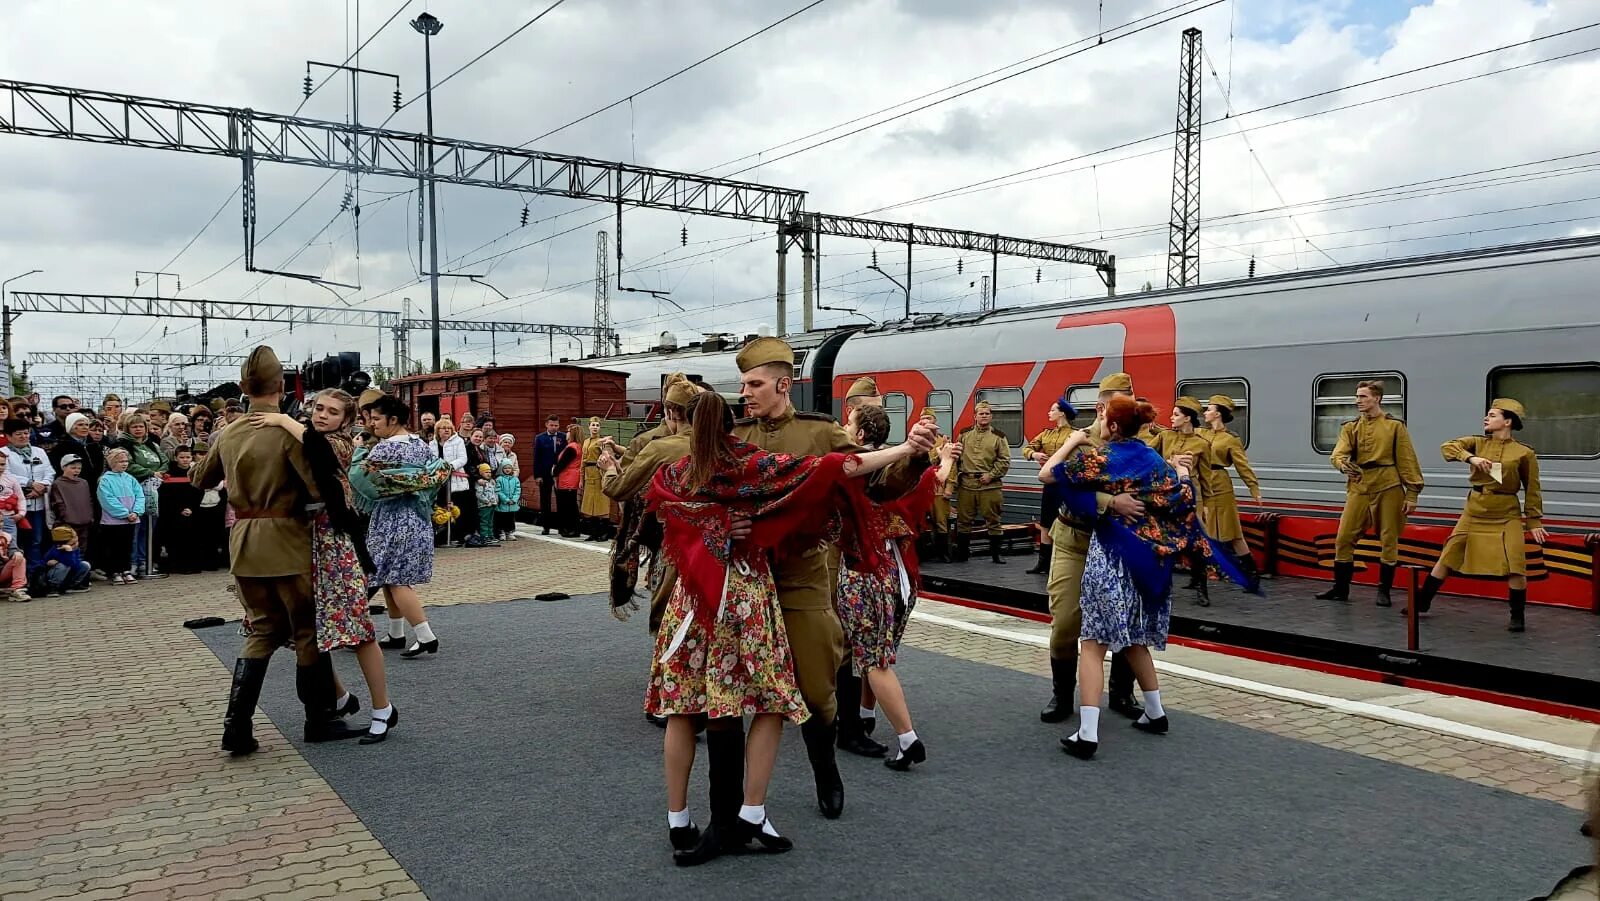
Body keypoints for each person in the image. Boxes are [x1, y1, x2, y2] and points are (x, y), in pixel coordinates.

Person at [648, 390, 931, 866]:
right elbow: (836, 470)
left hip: (694, 601)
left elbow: (659, 510)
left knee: (684, 706)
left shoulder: (675, 469)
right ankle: (752, 812)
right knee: (771, 700)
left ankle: (679, 820)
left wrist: (710, 523)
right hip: (747, 594)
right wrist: (906, 449)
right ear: (729, 423)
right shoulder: (753, 463)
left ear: (684, 424)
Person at [730, 336, 935, 820]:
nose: (746, 392)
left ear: (783, 384)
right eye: (743, 384)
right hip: (747, 579)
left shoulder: (821, 434)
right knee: (749, 688)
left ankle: (825, 770)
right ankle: (745, 803)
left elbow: (878, 487)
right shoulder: (736, 437)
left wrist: (915, 456)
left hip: (804, 578)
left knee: (816, 686)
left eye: (754, 384)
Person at [1042, 396, 1243, 760]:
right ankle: (1155, 711)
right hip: (1140, 556)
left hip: (1109, 555)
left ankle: (1087, 733)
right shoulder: (1151, 456)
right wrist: (1181, 472)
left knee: (1092, 641)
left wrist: (1072, 441)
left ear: (1113, 423)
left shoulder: (1100, 454)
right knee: (1131, 637)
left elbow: (1048, 476)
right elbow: (1180, 496)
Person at [196, 346, 365, 755]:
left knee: (263, 629)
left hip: (244, 541)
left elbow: (200, 478)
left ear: (242, 388)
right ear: (283, 386)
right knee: (306, 630)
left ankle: (236, 726)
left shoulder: (230, 432)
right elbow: (316, 486)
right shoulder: (287, 431)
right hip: (288, 537)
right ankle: (319, 718)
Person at [253, 388, 400, 743]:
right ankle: (339, 696)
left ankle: (383, 708)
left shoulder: (341, 444)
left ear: (346, 421)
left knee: (355, 626)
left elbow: (317, 450)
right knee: (306, 627)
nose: (322, 415)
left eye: (332, 412)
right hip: (302, 542)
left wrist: (282, 418)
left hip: (333, 543)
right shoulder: (301, 437)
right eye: (318, 408)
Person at [835, 404, 956, 771]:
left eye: (848, 423)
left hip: (865, 573)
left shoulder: (861, 469)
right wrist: (944, 458)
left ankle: (907, 738)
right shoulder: (900, 471)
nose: (841, 426)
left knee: (871, 659)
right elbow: (932, 483)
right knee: (879, 654)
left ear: (858, 435)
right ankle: (865, 714)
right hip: (898, 573)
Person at [1037, 372, 1155, 725]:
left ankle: (1121, 693)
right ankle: (1062, 694)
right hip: (1076, 542)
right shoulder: (1080, 441)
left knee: (1126, 621)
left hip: (1122, 546)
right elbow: (1057, 482)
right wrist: (1108, 501)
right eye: (1123, 404)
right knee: (1066, 623)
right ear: (1103, 407)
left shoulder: (1146, 440)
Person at [1407, 399, 1545, 632]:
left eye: (1492, 415)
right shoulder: (1477, 443)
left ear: (1507, 421)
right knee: (1449, 554)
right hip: (1475, 510)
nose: (1486, 418)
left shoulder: (1524, 452)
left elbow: (1533, 488)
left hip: (1506, 512)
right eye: (1487, 415)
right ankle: (1422, 602)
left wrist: (1534, 521)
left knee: (1515, 562)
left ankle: (1517, 616)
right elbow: (1447, 447)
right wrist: (1471, 458)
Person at [352, 394, 450, 660]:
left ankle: (425, 635)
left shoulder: (384, 449)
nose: (372, 425)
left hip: (392, 519)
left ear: (392, 420)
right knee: (389, 575)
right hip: (418, 516)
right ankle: (396, 632)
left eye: (376, 419)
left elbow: (359, 478)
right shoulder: (420, 444)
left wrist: (359, 448)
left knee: (396, 580)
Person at [1317, 380, 1425, 606]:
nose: (1358, 401)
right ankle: (1340, 588)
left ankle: (1383, 591)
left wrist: (1412, 493)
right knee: (1344, 538)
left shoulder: (1395, 427)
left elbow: (1407, 460)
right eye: (1357, 397)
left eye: (1363, 397)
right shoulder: (1350, 427)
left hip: (1388, 485)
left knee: (1388, 539)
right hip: (1359, 485)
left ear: (1377, 398)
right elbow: (1338, 453)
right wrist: (1342, 464)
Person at [1151, 398, 1217, 604]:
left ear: (1188, 417)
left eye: (1176, 414)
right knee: (1162, 540)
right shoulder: (1164, 436)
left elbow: (1206, 477)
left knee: (1195, 544)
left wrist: (1207, 506)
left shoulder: (1202, 444)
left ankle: (1201, 587)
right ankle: (1159, 586)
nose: (1171, 417)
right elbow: (1147, 456)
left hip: (1190, 497)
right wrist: (1168, 462)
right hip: (1166, 495)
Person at [1199, 395, 1265, 597]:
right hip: (1203, 483)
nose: (1205, 413)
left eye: (1208, 409)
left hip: (1221, 485)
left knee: (1233, 533)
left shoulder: (1230, 439)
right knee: (1204, 530)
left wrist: (1254, 488)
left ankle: (1252, 574)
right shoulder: (1199, 433)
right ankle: (1201, 577)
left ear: (1217, 413)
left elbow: (1242, 466)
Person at [953, 400, 1011, 564]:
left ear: (991, 416)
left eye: (987, 414)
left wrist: (991, 475)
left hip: (990, 486)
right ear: (975, 416)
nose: (984, 416)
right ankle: (963, 554)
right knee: (963, 521)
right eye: (981, 413)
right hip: (967, 484)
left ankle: (996, 555)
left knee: (993, 520)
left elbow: (1004, 461)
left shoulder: (999, 437)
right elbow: (956, 457)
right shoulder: (964, 434)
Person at [1024, 395, 1076, 574]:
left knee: (1065, 521)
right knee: (1046, 522)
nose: (1049, 413)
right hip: (1049, 485)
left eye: (1053, 410)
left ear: (1062, 413)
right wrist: (1034, 455)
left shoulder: (1074, 434)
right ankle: (1043, 564)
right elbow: (1027, 448)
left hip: (1066, 484)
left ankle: (1061, 564)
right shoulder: (1046, 434)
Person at [115, 412, 169, 580]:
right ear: (127, 428)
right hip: (132, 491)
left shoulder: (152, 444)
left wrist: (160, 473)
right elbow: (128, 465)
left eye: (141, 426)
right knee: (136, 528)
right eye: (134, 426)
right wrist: (150, 472)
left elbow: (164, 461)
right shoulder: (123, 445)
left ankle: (145, 561)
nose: (138, 429)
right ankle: (132, 563)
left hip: (153, 490)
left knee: (149, 528)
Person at [2, 419, 53, 566]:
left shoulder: (39, 452)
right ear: (9, 436)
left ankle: (34, 574)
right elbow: (7, 474)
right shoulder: (4, 453)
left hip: (38, 505)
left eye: (26, 433)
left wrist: (42, 486)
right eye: (19, 434)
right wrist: (30, 484)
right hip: (13, 507)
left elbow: (50, 472)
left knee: (36, 540)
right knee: (14, 542)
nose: (24, 436)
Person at [432, 417, 485, 548]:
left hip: (456, 480)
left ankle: (464, 535)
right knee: (443, 508)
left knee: (460, 508)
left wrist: (449, 466)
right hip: (439, 481)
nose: (446, 430)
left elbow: (462, 458)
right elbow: (430, 460)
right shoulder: (432, 444)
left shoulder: (458, 441)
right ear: (437, 431)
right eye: (443, 428)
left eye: (449, 428)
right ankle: (445, 536)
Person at [97, 447, 144, 586]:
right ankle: (115, 571)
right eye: (120, 461)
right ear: (112, 463)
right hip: (112, 522)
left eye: (126, 461)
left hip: (131, 520)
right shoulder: (105, 480)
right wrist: (124, 513)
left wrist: (136, 512)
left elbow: (139, 495)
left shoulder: (130, 478)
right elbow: (107, 500)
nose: (124, 464)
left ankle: (126, 570)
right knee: (114, 546)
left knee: (127, 546)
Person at [157, 447, 204, 574]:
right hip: (174, 513)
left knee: (192, 539)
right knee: (176, 540)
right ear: (176, 458)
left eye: (188, 457)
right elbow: (166, 496)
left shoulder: (194, 472)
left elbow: (199, 493)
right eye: (182, 457)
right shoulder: (169, 474)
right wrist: (179, 509)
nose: (185, 460)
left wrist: (191, 508)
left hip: (192, 511)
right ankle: (178, 565)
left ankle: (193, 565)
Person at [922, 407, 958, 563]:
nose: (926, 422)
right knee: (922, 523)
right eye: (923, 419)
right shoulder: (918, 441)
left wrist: (950, 487)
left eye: (929, 419)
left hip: (938, 489)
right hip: (921, 489)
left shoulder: (943, 442)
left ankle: (943, 553)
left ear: (935, 422)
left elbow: (951, 466)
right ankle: (925, 553)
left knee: (941, 523)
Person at [49, 454, 95, 560]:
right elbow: (58, 503)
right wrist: (65, 517)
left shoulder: (84, 483)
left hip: (84, 522)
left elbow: (89, 500)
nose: (76, 471)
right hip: (68, 524)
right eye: (73, 468)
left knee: (82, 549)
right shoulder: (58, 484)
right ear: (63, 467)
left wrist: (89, 516)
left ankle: (81, 571)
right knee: (67, 549)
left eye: (79, 468)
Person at [579, 417, 613, 541]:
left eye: (597, 425)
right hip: (588, 474)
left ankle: (604, 532)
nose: (595, 427)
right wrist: (581, 479)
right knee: (589, 504)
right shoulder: (586, 441)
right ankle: (593, 532)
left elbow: (607, 456)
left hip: (599, 473)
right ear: (589, 427)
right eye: (593, 425)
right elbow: (583, 460)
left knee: (601, 503)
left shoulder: (601, 441)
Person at [34, 525, 91, 596]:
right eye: (73, 543)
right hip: (51, 577)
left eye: (77, 541)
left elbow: (75, 565)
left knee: (85, 564)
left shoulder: (75, 550)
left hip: (66, 577)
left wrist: (71, 551)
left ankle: (72, 586)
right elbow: (69, 563)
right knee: (64, 565)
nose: (77, 544)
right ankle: (53, 588)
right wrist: (68, 552)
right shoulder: (55, 551)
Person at [532, 416, 565, 534]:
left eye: (556, 425)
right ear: (546, 425)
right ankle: (546, 526)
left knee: (561, 500)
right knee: (545, 501)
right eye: (551, 425)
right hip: (545, 473)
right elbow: (536, 458)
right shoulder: (540, 438)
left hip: (559, 473)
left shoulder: (563, 437)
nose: (554, 427)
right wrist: (537, 475)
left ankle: (562, 527)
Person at [494, 461, 522, 543]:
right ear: (502, 469)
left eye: (509, 468)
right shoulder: (499, 479)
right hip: (503, 504)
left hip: (512, 504)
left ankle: (510, 532)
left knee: (511, 518)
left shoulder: (515, 479)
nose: (507, 470)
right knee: (501, 518)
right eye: (505, 468)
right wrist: (506, 500)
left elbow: (518, 490)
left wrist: (514, 499)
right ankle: (501, 532)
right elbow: (498, 491)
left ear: (512, 469)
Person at [474, 463, 500, 545]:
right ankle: (484, 536)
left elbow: (494, 492)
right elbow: (479, 494)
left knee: (490, 521)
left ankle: (490, 535)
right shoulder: (480, 483)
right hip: (484, 505)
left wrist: (496, 500)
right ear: (481, 473)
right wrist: (486, 501)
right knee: (484, 521)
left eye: (489, 472)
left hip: (492, 504)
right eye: (486, 472)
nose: (489, 474)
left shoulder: (492, 482)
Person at [0, 528, 29, 601]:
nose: (0, 524)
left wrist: (16, 552)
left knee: (19, 558)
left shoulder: (7, 536)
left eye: (1, 521)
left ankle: (17, 590)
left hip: (3, 571)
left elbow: (14, 549)